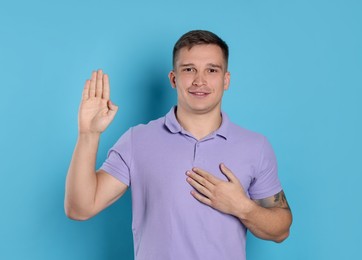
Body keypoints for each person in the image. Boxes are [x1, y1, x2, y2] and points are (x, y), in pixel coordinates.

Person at [65, 30, 292, 260]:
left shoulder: (255, 146)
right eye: (189, 69)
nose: (199, 80)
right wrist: (88, 134)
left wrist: (242, 207)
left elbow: (281, 229)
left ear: (226, 80)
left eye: (211, 70)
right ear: (173, 79)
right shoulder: (137, 140)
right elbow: (80, 208)